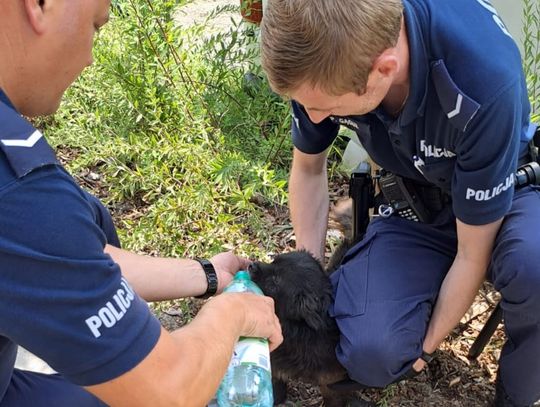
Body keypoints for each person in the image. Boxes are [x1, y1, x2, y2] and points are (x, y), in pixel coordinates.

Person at [0, 1, 283, 406]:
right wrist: (233, 314)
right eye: (95, 26)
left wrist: (206, 274)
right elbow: (168, 390)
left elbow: (63, 259)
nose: (89, 58)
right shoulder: (18, 187)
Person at [260, 0, 540, 406]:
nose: (314, 118)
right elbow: (308, 170)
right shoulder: (324, 47)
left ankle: (517, 396)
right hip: (415, 199)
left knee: (534, 267)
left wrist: (424, 348)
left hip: (503, 189)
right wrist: (309, 271)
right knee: (371, 353)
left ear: (385, 70)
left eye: (327, 107)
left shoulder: (482, 79)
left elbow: (470, 255)